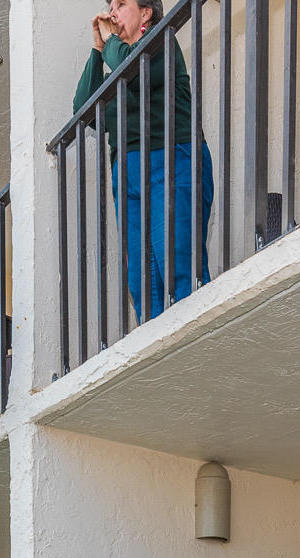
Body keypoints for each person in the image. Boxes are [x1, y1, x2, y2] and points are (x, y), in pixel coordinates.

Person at [73, 0, 213, 322]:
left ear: (146, 13)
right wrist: (98, 49)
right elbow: (83, 110)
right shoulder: (118, 69)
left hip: (172, 160)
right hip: (129, 175)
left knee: (179, 267)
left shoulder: (162, 42)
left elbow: (136, 69)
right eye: (110, 6)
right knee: (142, 280)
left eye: (121, 4)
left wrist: (111, 43)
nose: (112, 12)